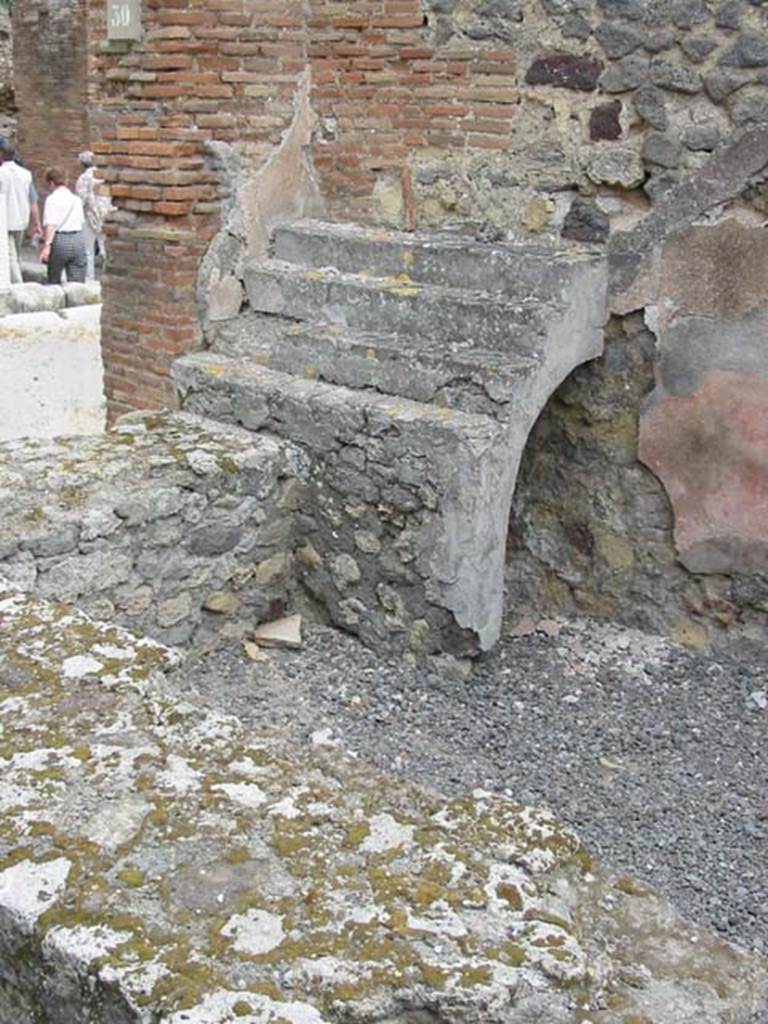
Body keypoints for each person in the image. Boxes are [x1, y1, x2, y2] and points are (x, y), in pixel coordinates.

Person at [0, 141, 42, 283]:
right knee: (15, 254)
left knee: (9, 255)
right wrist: (37, 223)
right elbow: (33, 201)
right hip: (21, 219)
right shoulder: (26, 174)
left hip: (4, 219)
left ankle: (17, 283)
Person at [39, 167, 87, 285]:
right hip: (78, 239)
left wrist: (47, 246)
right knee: (77, 282)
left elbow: (51, 225)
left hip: (60, 239)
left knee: (53, 279)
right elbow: (81, 221)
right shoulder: (76, 200)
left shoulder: (52, 199)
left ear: (51, 182)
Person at [75, 150, 112, 282]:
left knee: (88, 250)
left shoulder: (83, 178)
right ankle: (108, 273)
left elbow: (81, 199)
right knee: (105, 246)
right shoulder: (103, 176)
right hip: (106, 215)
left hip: (89, 215)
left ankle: (89, 278)